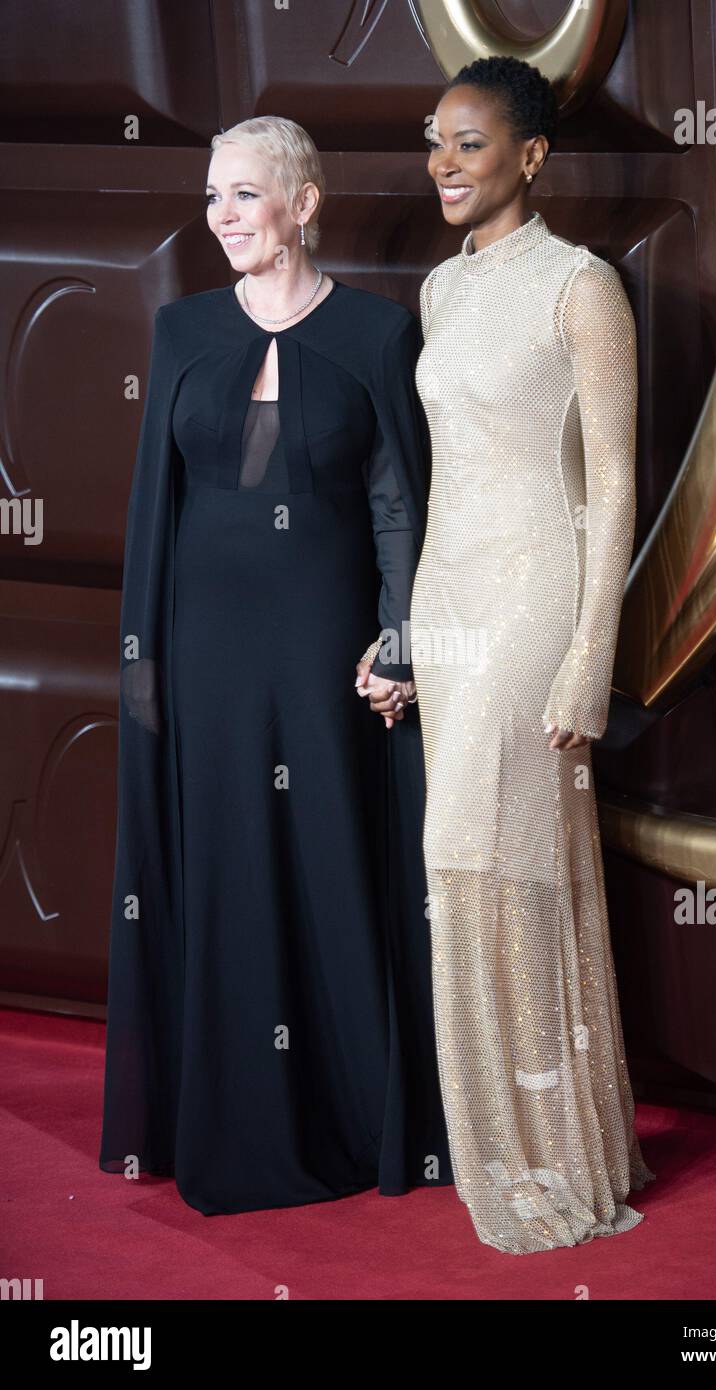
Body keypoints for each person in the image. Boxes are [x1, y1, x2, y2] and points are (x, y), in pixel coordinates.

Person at [99, 115, 452, 1213]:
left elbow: (399, 509)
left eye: (244, 194)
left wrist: (398, 638)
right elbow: (155, 512)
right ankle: (234, 1118)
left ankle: (351, 1116)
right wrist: (145, 668)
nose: (221, 216)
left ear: (304, 202)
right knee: (226, 863)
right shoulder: (181, 330)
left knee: (331, 852)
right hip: (205, 650)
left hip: (323, 653)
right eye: (212, 196)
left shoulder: (375, 336)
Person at [409, 57, 655, 1253]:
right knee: (465, 862)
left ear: (529, 156)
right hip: (446, 605)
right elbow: (450, 476)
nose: (443, 164)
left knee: (503, 860)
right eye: (434, 142)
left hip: (535, 604)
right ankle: (509, 1143)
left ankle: (552, 1157)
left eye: (467, 143)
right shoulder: (437, 292)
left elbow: (610, 491)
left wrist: (586, 659)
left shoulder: (581, 287)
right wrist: (410, 639)